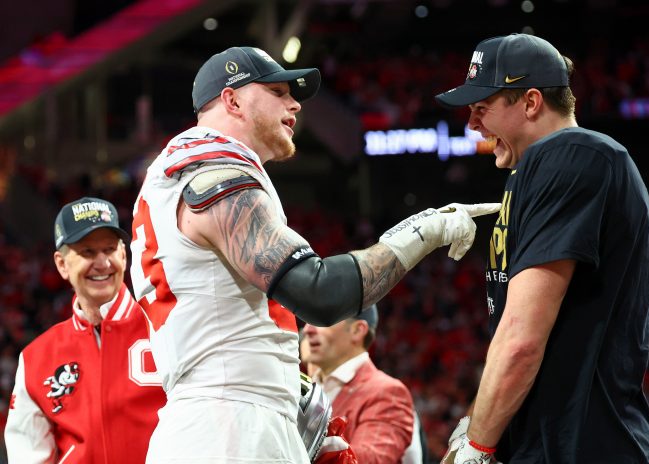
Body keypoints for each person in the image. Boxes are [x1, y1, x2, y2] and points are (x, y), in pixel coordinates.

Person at [129, 45, 500, 463]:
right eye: (278, 91)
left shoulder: (188, 171)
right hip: (229, 424)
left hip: (223, 414)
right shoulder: (216, 173)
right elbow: (320, 293)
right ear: (231, 99)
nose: (294, 104)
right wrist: (423, 231)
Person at [435, 33, 649, 463]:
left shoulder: (572, 155)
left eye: (482, 108)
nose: (472, 125)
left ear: (532, 102)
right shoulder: (546, 167)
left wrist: (476, 448)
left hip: (584, 446)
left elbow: (521, 338)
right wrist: (473, 429)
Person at [4, 197, 166, 463]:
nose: (102, 263)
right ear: (61, 264)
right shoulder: (36, 358)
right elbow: (27, 455)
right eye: (87, 252)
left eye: (110, 249)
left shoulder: (164, 326)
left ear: (124, 256)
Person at [302, 304, 428, 464]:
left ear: (357, 330)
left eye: (322, 320)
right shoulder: (305, 386)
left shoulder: (387, 391)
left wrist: (306, 444)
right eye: (308, 320)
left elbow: (371, 459)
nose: (308, 329)